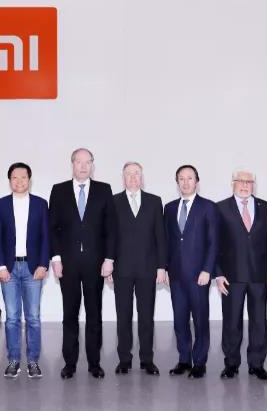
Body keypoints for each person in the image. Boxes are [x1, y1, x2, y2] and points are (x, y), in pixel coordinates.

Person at [49, 148, 117, 379]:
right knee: (69, 314)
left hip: (95, 263)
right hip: (67, 264)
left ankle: (94, 363)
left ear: (92, 165)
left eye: (88, 162)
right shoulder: (58, 190)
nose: (83, 166)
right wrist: (56, 258)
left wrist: (109, 259)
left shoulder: (104, 190)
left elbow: (110, 228)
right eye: (79, 162)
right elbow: (53, 228)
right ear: (72, 164)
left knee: (94, 314)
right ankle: (69, 363)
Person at [215, 169, 267, 381]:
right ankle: (231, 364)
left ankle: (257, 364)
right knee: (231, 322)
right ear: (232, 183)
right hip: (231, 276)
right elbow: (214, 243)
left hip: (260, 276)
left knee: (259, 322)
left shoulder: (265, 207)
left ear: (254, 185)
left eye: (249, 182)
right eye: (240, 181)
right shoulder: (220, 208)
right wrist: (218, 273)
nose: (244, 185)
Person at [108, 162, 167, 376]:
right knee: (123, 316)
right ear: (123, 178)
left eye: (137, 174)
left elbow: (160, 237)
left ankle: (147, 360)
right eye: (129, 174)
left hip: (147, 269)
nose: (133, 177)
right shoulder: (113, 201)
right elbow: (109, 236)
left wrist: (161, 267)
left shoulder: (154, 201)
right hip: (121, 269)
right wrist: (109, 264)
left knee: (146, 317)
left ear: (142, 177)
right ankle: (124, 360)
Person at [0, 163, 50, 379]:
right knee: (12, 318)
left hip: (33, 268)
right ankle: (14, 360)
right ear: (10, 181)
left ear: (29, 180)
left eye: (23, 177)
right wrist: (0, 266)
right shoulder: (1, 205)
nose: (19, 181)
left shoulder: (40, 204)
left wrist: (43, 264)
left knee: (33, 317)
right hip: (8, 268)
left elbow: (46, 237)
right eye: (14, 178)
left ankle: (33, 361)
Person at [163, 165, 218, 379]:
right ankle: (184, 359)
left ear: (197, 181)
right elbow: (166, 241)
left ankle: (200, 362)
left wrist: (207, 270)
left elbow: (213, 242)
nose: (185, 182)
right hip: (176, 275)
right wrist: (164, 268)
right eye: (181, 179)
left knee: (200, 319)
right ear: (177, 182)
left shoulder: (208, 207)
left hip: (199, 275)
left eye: (189, 178)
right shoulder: (169, 208)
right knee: (180, 320)